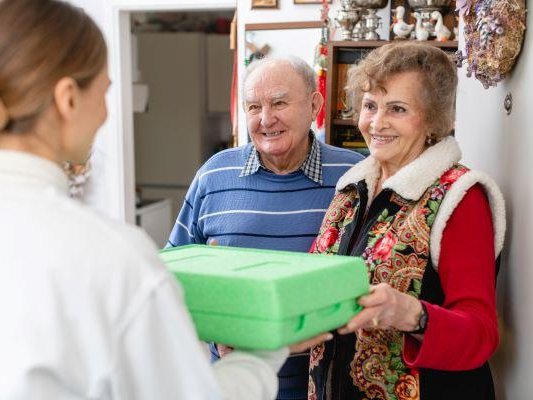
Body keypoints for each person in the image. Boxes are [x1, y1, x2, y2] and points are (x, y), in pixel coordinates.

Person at [0, 1, 330, 399]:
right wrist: (262, 348)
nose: (107, 113)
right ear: (68, 99)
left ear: (314, 105)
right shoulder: (112, 256)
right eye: (105, 91)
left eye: (278, 103)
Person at [308, 42, 506, 400]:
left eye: (397, 109)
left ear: (433, 119)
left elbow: (482, 334)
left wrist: (410, 313)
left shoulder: (460, 197)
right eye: (370, 106)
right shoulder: (351, 191)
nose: (377, 122)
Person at [167, 56, 364, 399]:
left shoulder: (354, 175)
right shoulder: (214, 174)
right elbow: (170, 279)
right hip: (233, 385)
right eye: (254, 106)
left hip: (329, 386)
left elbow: (374, 273)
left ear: (314, 104)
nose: (265, 119)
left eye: (279, 103)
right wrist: (215, 328)